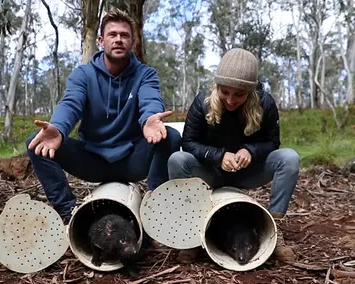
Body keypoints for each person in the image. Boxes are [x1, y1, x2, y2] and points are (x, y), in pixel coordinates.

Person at [26, 9, 181, 224]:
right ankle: (69, 213)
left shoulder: (145, 74)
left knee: (170, 136)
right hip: (92, 160)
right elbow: (71, 103)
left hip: (131, 161)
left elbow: (150, 100)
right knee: (36, 143)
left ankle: (154, 210)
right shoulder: (83, 74)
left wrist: (149, 119)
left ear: (132, 41)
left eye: (124, 35)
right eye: (112, 34)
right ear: (101, 40)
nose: (118, 39)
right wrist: (58, 128)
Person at [168, 48, 300, 262]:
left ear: (251, 91)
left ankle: (275, 230)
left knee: (289, 158)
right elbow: (188, 142)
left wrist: (251, 150)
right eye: (224, 91)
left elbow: (273, 143)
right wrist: (218, 156)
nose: (230, 100)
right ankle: (191, 234)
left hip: (247, 172)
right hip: (211, 171)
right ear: (217, 86)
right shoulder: (203, 101)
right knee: (177, 160)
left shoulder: (265, 103)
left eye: (239, 94)